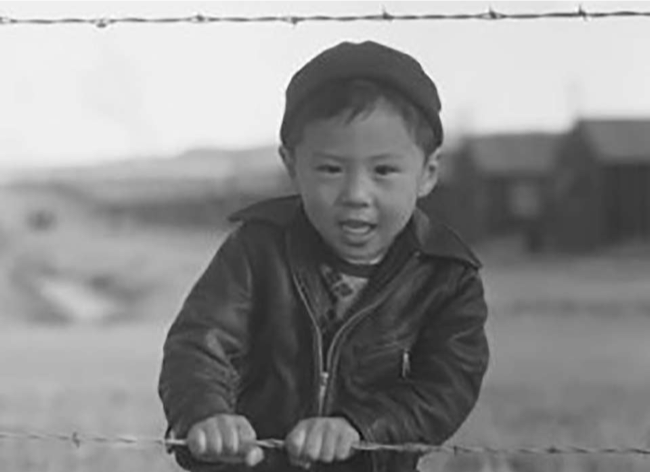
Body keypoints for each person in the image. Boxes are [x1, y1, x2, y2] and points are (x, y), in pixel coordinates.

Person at [158, 40, 489, 472]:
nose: (356, 195)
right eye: (330, 169)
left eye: (384, 171)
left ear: (427, 174)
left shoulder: (446, 275)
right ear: (291, 166)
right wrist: (207, 415)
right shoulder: (257, 249)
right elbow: (199, 344)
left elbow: (447, 385)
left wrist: (359, 428)